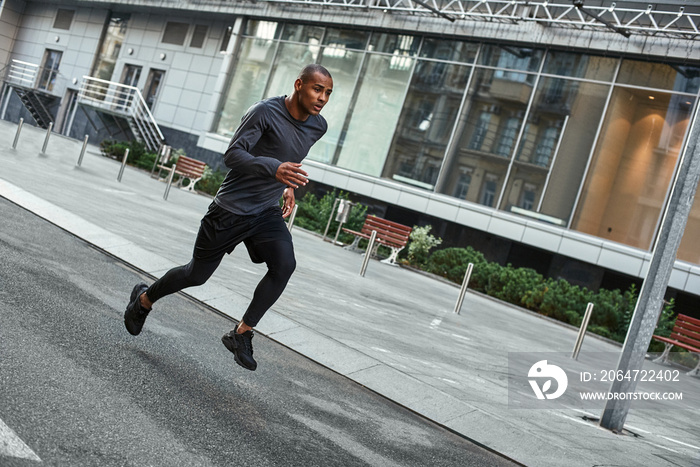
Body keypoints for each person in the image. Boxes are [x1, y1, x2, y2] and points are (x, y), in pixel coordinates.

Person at [124, 64, 333, 371]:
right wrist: (273, 168)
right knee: (196, 275)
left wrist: (286, 185)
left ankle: (242, 333)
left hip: (264, 211)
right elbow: (233, 155)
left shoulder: (318, 126)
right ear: (299, 85)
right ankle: (143, 300)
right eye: (317, 89)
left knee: (285, 264)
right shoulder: (264, 112)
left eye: (328, 93)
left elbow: (291, 154)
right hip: (230, 210)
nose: (323, 98)